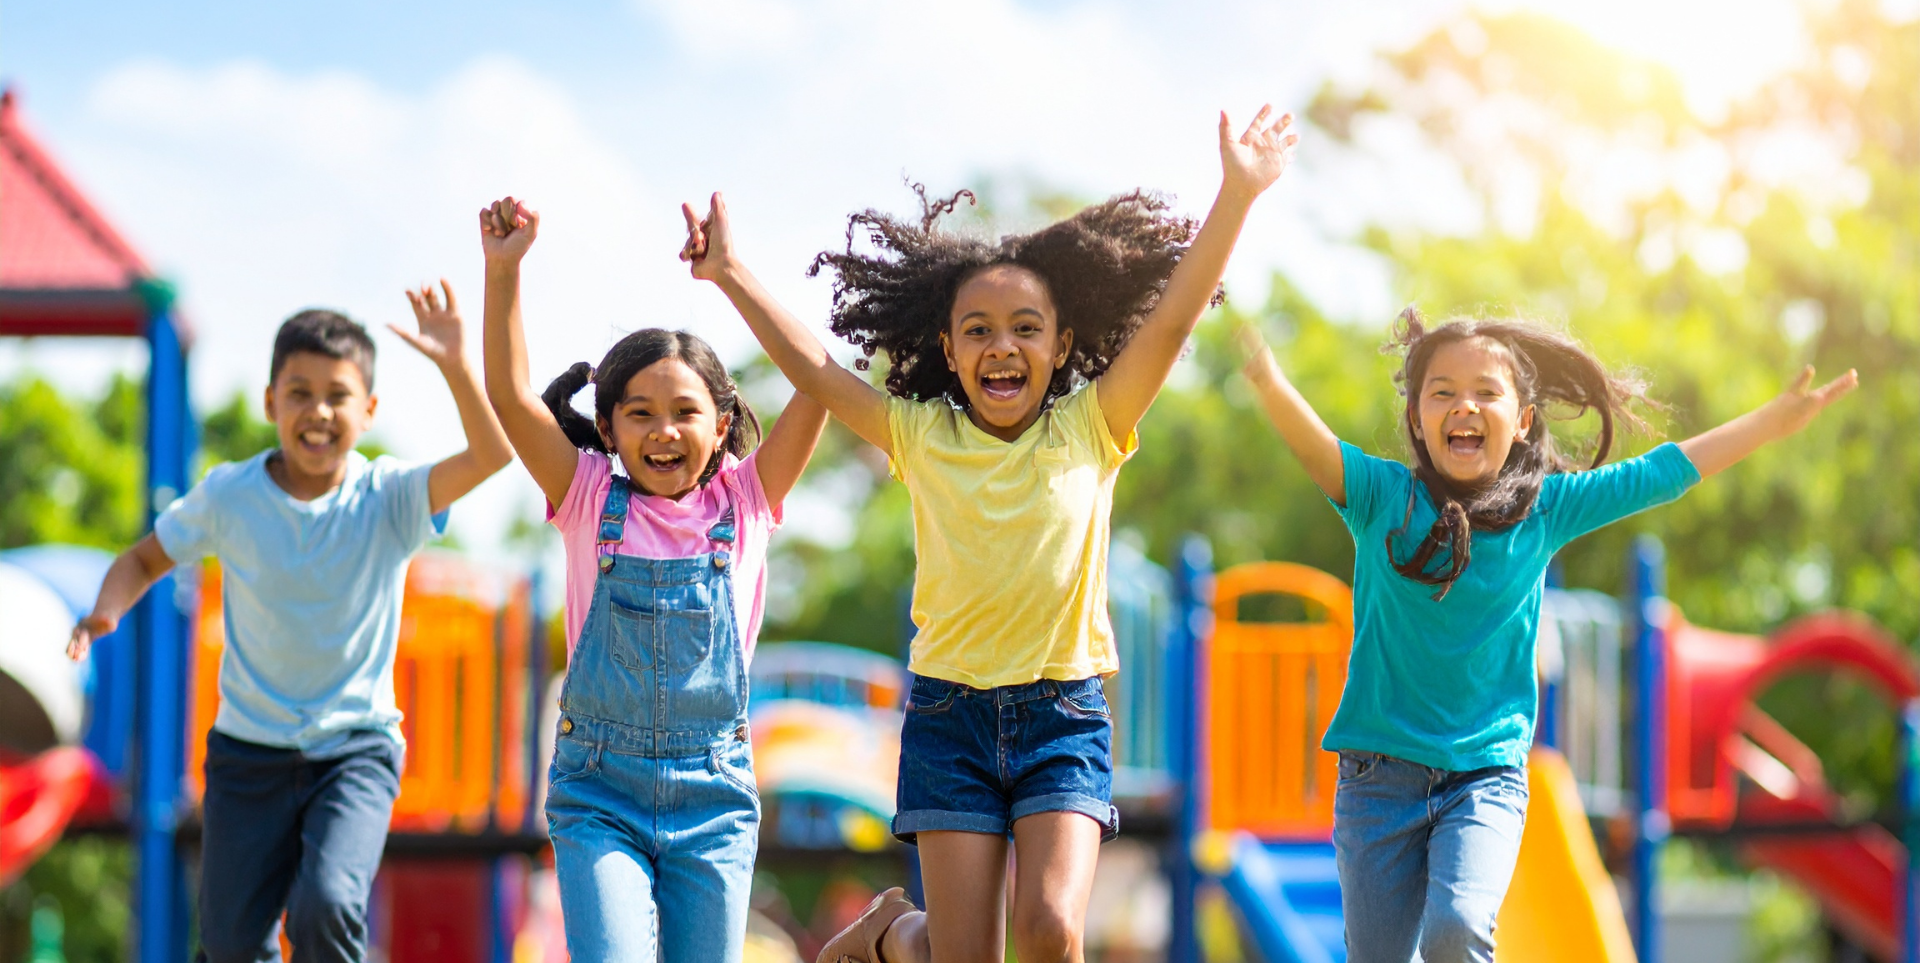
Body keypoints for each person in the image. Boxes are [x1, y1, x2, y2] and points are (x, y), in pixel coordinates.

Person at [677, 106, 1298, 963]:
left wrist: (1237, 193)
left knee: (1051, 927)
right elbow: (818, 370)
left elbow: (1171, 323)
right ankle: (897, 933)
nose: (1001, 347)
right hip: (949, 715)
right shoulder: (923, 434)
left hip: (1061, 713)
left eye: (1025, 330)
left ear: (1062, 344)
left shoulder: (1092, 425)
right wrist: (732, 271)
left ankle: (900, 934)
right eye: (979, 331)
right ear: (949, 348)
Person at [1236, 309, 1858, 962]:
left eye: (1485, 391)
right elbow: (1315, 447)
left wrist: (1770, 422)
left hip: (1482, 776)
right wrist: (1269, 379)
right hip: (1378, 778)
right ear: (1417, 418)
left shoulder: (1544, 512)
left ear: (1524, 419)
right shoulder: (1380, 496)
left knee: (1457, 926)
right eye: (1441, 392)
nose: (1463, 405)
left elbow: (1660, 473)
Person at [66, 291, 514, 962]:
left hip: (354, 749)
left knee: (327, 903)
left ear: (369, 411)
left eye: (338, 395)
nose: (319, 411)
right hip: (249, 755)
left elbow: (492, 454)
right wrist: (108, 606)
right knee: (229, 944)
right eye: (300, 392)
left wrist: (454, 363)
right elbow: (142, 557)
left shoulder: (388, 497)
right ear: (272, 402)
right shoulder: (231, 496)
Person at [474, 196, 826, 963]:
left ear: (724, 422)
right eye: (639, 413)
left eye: (684, 411)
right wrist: (504, 273)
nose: (663, 431)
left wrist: (729, 275)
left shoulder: (750, 497)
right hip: (600, 789)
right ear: (608, 429)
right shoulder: (586, 493)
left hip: (715, 794)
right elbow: (507, 395)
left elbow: (820, 380)